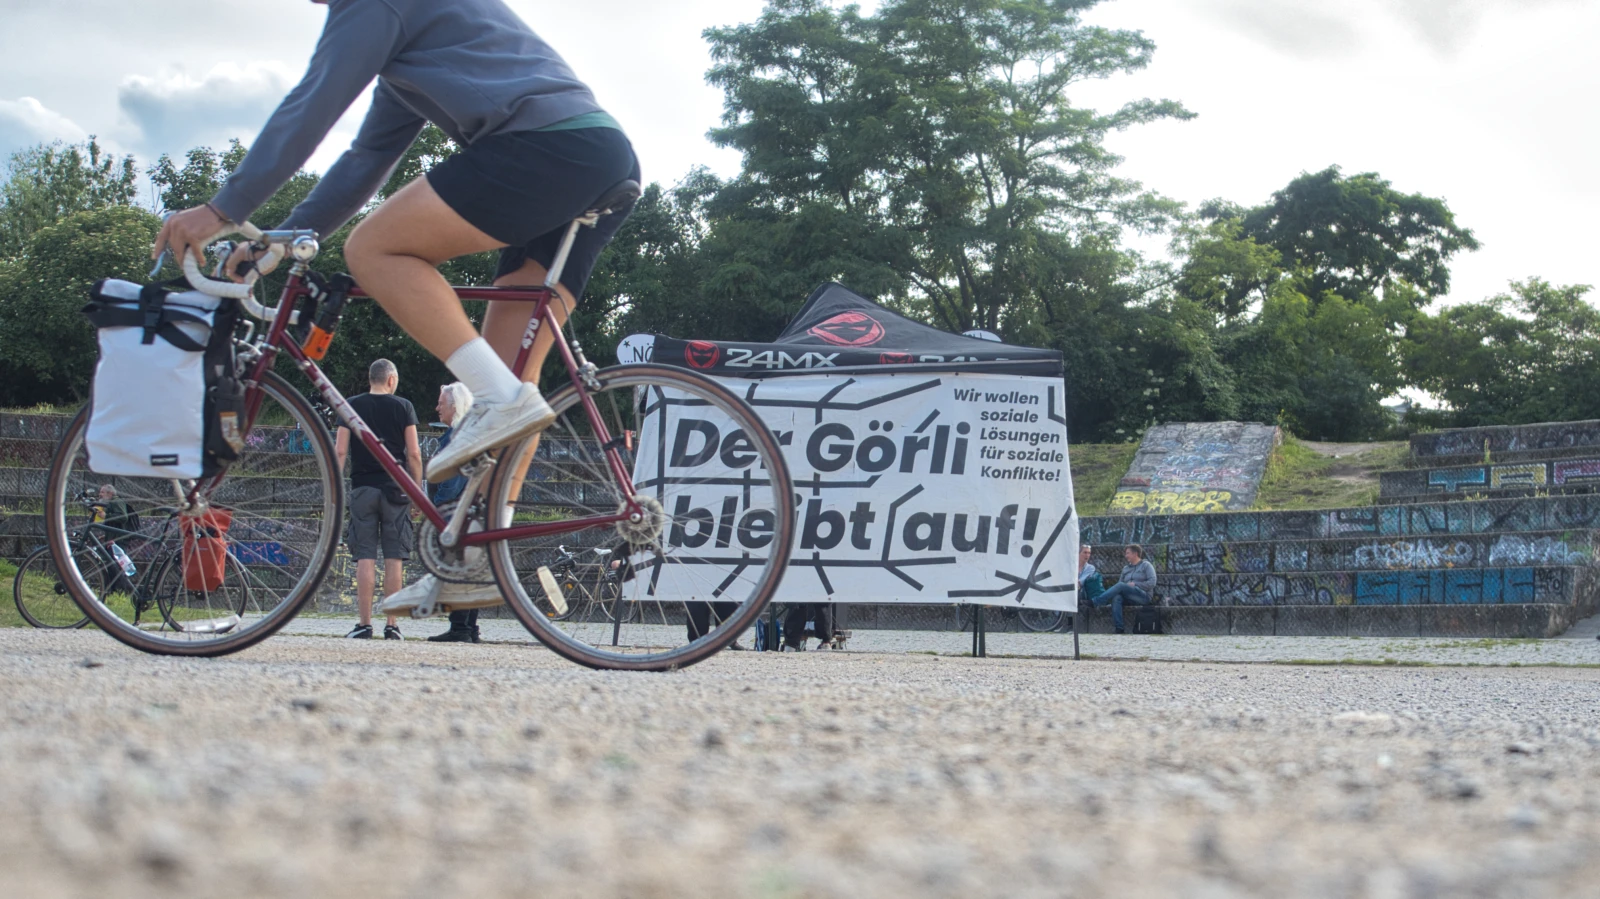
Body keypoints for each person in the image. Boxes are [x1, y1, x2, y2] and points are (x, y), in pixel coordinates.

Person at [150, 0, 640, 617]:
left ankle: (497, 401)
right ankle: (475, 561)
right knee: (511, 373)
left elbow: (312, 106)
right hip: (596, 156)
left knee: (375, 249)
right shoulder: (415, 34)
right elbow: (365, 159)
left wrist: (222, 209)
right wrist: (282, 236)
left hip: (545, 150)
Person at [336, 359, 423, 639]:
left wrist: (335, 487)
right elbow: (414, 454)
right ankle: (392, 625)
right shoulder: (403, 407)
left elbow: (339, 451)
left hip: (363, 488)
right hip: (395, 491)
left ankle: (364, 624)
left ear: (371, 378)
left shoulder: (350, 406)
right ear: (391, 380)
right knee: (394, 557)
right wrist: (416, 493)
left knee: (365, 556)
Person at [425, 382, 487, 643]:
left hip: (456, 513)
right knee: (470, 569)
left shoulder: (455, 437)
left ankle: (460, 628)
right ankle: (469, 628)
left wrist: (440, 513)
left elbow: (449, 482)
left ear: (454, 405)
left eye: (441, 403)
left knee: (459, 568)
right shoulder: (472, 433)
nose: (437, 407)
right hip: (474, 511)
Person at [1091, 544, 1156, 634]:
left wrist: (1135, 584)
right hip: (1128, 597)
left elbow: (1152, 582)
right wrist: (1126, 587)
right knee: (1117, 598)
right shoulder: (1126, 568)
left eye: (1127, 553)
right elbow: (1119, 584)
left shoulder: (1146, 565)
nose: (1126, 556)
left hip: (1143, 596)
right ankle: (1119, 628)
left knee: (1121, 585)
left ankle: (1096, 601)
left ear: (1135, 554)